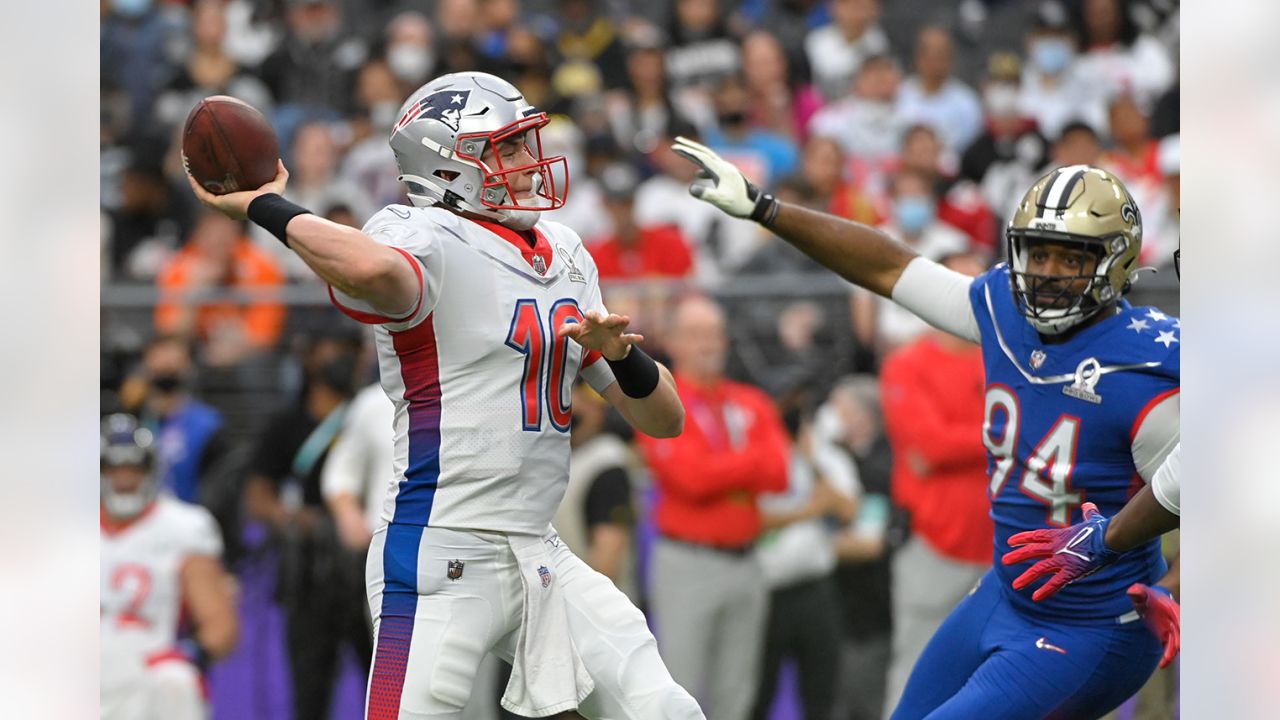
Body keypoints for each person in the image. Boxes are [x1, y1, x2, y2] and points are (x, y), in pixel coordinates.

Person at [187, 71, 701, 720]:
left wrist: (623, 356)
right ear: (449, 164)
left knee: (664, 709)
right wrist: (263, 204)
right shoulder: (421, 233)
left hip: (536, 548)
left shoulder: (566, 253)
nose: (529, 161)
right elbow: (372, 269)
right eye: (508, 148)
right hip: (440, 548)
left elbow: (666, 420)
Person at [672, 140, 1179, 718]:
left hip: (1091, 623)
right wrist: (768, 209)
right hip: (1006, 595)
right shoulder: (1003, 312)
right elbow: (891, 266)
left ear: (1115, 262)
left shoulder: (1147, 365)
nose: (1047, 275)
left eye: (1070, 259)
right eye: (1038, 254)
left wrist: (1154, 567)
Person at [635, 294, 791, 720]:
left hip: (746, 560)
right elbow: (690, 480)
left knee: (737, 693)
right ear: (675, 342)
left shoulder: (749, 400)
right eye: (696, 334)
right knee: (677, 690)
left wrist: (721, 469)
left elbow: (779, 472)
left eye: (714, 333)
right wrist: (746, 466)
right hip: (689, 561)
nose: (708, 343)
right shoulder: (658, 400)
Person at [878, 253, 993, 714]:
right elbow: (928, 446)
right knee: (915, 672)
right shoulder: (906, 364)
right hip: (932, 546)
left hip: (1003, 552)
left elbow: (944, 446)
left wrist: (958, 442)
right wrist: (1002, 433)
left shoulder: (1008, 359)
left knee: (997, 684)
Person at [101, 414, 238, 720]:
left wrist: (190, 654)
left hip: (148, 661)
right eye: (114, 469)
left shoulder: (184, 526)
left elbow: (220, 624)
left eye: (133, 469)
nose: (124, 479)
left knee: (175, 680)